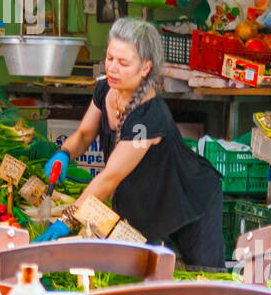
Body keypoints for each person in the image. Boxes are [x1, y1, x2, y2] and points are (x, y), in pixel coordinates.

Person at [46, 17, 224, 267]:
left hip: (190, 202)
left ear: (145, 68)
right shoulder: (105, 90)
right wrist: (64, 153)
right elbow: (85, 135)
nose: (112, 68)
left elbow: (110, 177)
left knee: (202, 283)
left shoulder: (147, 120)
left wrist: (67, 220)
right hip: (149, 202)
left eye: (123, 63)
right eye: (109, 59)